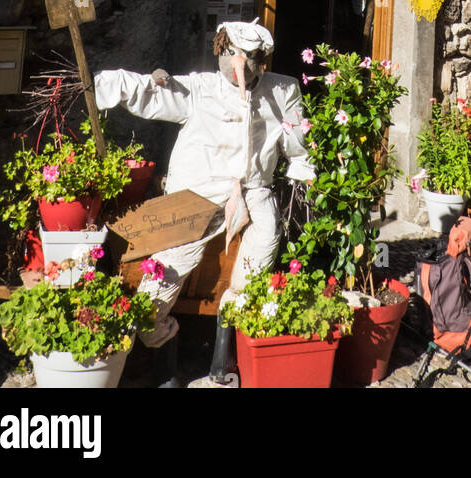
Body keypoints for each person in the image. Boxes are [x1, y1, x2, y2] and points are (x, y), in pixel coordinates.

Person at [94, 19, 314, 386]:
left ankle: (223, 357)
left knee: (260, 255)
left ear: (262, 60)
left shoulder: (283, 91)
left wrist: (303, 178)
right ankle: (159, 347)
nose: (237, 65)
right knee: (168, 267)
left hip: (253, 191)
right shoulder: (201, 88)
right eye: (230, 54)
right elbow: (152, 94)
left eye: (247, 58)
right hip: (196, 194)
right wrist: (111, 83)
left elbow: (297, 146)